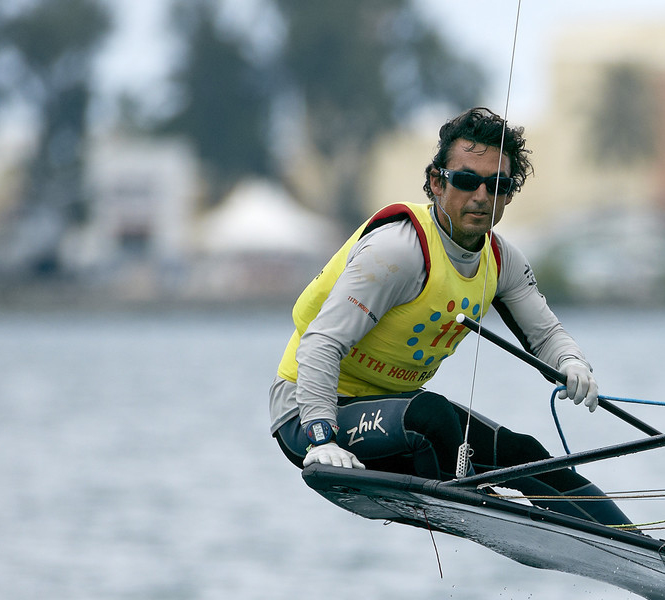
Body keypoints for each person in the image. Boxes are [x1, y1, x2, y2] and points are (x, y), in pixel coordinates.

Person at [269, 107, 629, 527]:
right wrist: (320, 436)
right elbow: (321, 343)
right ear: (437, 183)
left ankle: (650, 552)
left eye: (497, 184)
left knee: (525, 454)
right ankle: (494, 512)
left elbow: (545, 333)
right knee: (432, 417)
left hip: (392, 411)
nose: (481, 195)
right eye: (465, 180)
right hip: (308, 413)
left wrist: (572, 363)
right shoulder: (398, 252)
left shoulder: (502, 260)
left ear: (510, 194)